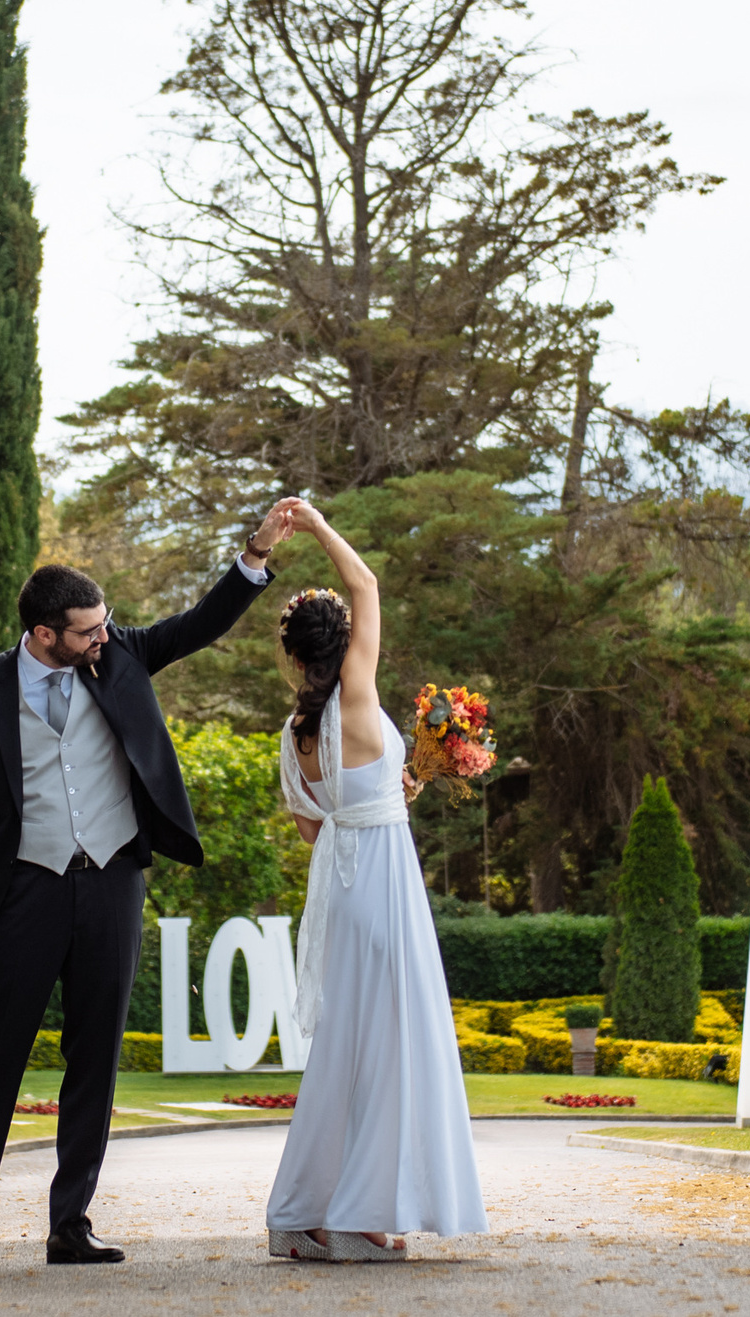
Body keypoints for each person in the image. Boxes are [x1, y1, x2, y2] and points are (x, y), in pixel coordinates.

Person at [0, 502, 298, 1273]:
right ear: (45, 632)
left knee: (96, 1057)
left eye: (104, 623)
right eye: (86, 629)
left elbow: (197, 624)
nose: (103, 636)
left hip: (112, 880)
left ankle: (69, 1222)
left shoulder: (117, 656)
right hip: (25, 891)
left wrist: (254, 556)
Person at [263, 500, 485, 1262]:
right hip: (384, 885)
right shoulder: (356, 696)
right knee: (392, 1047)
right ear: (346, 647)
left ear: (295, 658)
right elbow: (368, 585)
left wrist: (394, 790)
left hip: (343, 887)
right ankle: (356, 1216)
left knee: (345, 1052)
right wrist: (322, 528)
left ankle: (297, 1215)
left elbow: (316, 828)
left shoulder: (294, 738)